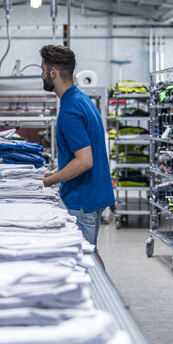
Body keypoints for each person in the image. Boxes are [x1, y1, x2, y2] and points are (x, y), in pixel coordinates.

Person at [38, 45, 115, 253]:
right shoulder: (82, 100)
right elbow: (82, 153)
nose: (42, 74)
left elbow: (84, 161)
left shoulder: (69, 110)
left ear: (53, 72)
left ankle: (102, 288)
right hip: (95, 194)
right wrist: (57, 171)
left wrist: (49, 181)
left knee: (82, 261)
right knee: (90, 256)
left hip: (82, 200)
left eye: (43, 69)